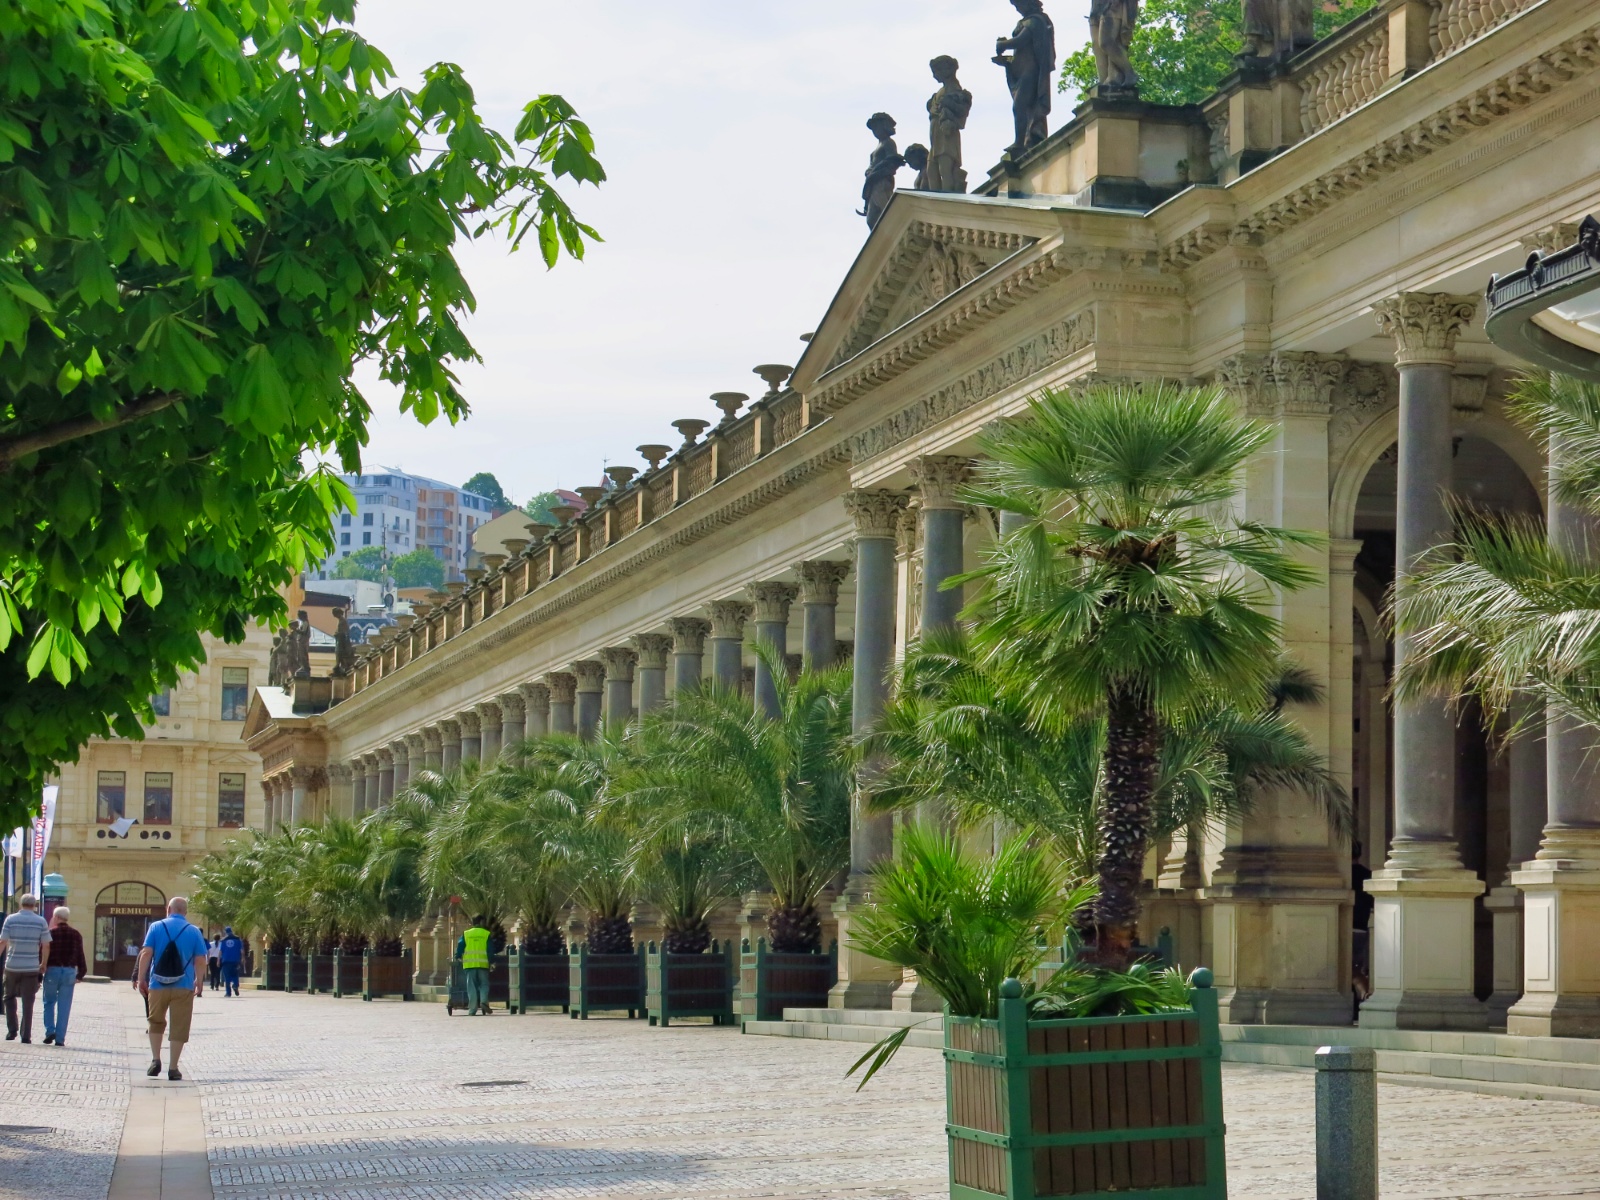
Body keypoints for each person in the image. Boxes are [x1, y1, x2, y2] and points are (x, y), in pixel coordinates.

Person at [136, 896, 209, 1080]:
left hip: (157, 984)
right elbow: (200, 960)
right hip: (183, 986)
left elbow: (146, 953)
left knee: (155, 1021)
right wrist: (199, 982)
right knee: (179, 1025)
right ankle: (173, 1067)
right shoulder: (193, 931)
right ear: (185, 912)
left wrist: (141, 978)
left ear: (168, 909)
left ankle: (155, 1059)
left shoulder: (156, 927)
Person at [1, 893, 50, 1043]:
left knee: (8, 997)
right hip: (31, 967)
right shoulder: (41, 921)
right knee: (28, 1001)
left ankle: (12, 1030)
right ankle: (26, 1035)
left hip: (12, 966)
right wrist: (43, 964)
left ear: (21, 904)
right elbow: (46, 945)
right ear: (34, 905)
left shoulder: (11, 919)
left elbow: (3, 941)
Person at [42, 905, 87, 1046]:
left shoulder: (50, 933)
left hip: (52, 970)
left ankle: (50, 1031)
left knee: (49, 1002)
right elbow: (80, 954)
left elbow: (43, 952)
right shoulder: (76, 934)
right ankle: (60, 1039)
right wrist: (81, 974)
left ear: (55, 917)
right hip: (69, 971)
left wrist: (40, 971)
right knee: (64, 1005)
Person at [457, 915, 493, 1016]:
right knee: (484, 984)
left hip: (469, 964)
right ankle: (483, 1001)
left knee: (471, 987)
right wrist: (492, 961)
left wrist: (458, 956)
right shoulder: (486, 934)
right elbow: (490, 950)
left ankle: (472, 1010)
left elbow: (460, 946)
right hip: (483, 964)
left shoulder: (466, 934)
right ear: (481, 922)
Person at [217, 926, 244, 997]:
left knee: (227, 977)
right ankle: (235, 985)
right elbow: (242, 951)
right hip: (235, 960)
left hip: (226, 960)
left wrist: (218, 961)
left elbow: (220, 952)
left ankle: (228, 993)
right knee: (235, 975)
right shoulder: (238, 940)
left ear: (226, 932)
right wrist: (243, 958)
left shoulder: (223, 941)